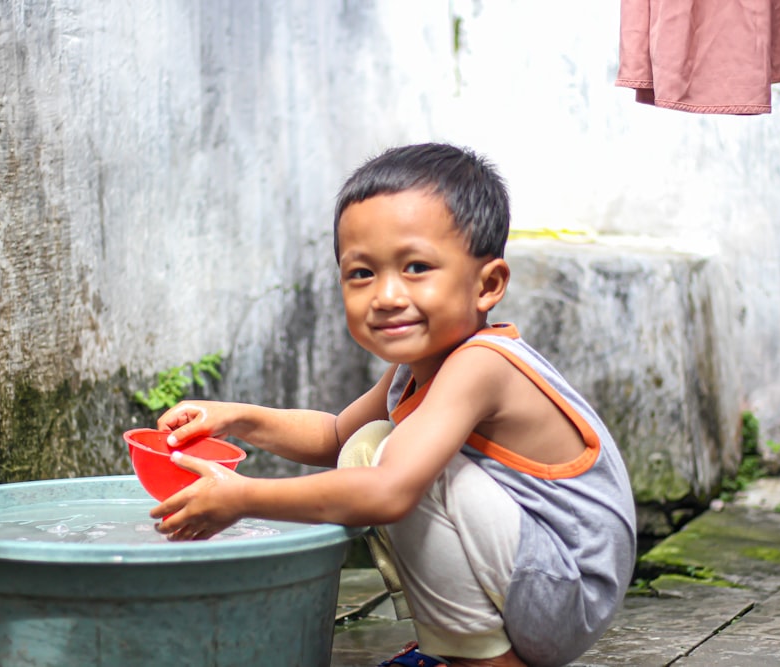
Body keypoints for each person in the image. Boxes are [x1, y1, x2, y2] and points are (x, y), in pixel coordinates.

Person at [151, 143, 637, 667]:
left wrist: (243, 498)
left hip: (565, 594)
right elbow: (335, 437)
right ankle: (453, 648)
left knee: (394, 465)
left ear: (487, 285)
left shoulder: (482, 364)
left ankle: (483, 660)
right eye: (362, 273)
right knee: (366, 443)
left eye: (416, 267)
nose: (385, 295)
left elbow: (387, 492)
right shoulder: (418, 367)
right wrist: (238, 418)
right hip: (537, 579)